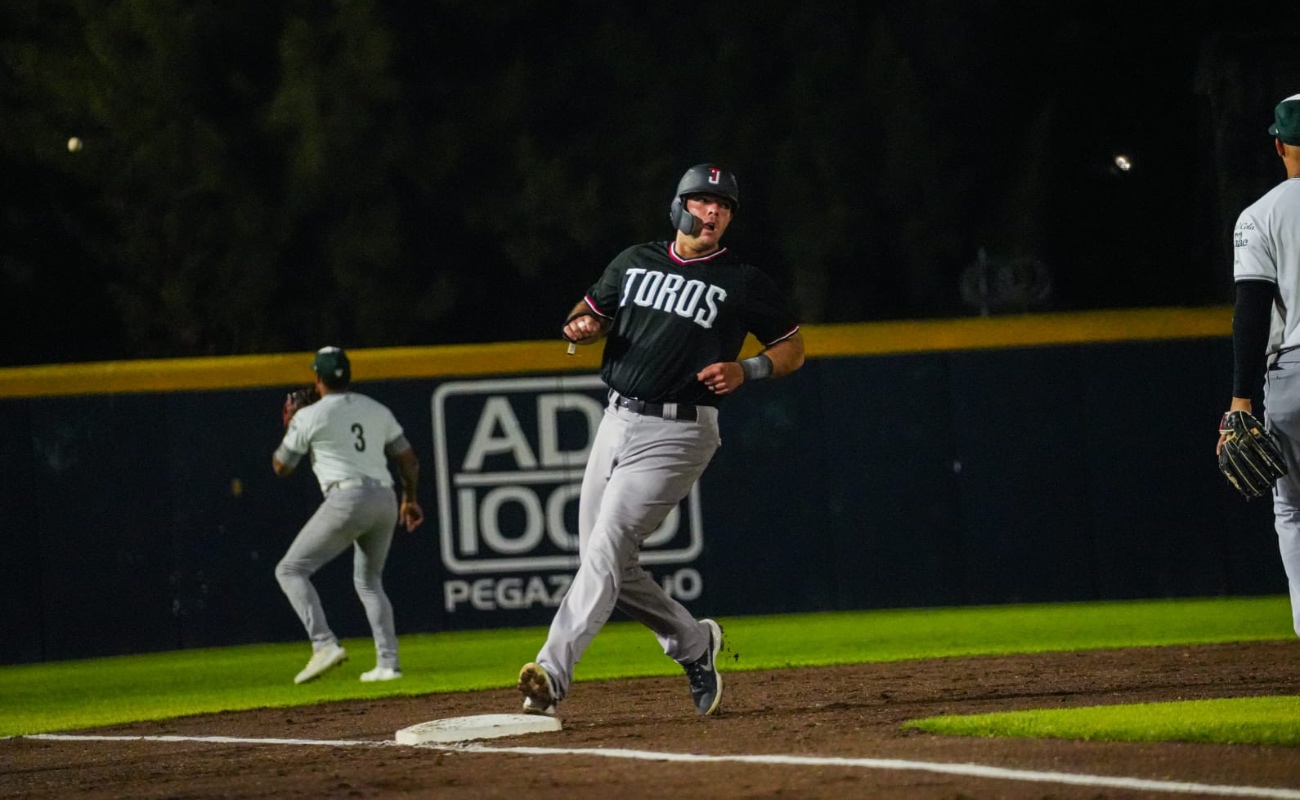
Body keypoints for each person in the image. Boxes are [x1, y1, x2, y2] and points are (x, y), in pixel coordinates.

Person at [517, 164, 805, 717]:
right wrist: (580, 326)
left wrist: (750, 369)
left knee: (605, 549)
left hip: (681, 430)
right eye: (702, 201)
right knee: (607, 565)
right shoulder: (633, 262)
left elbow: (793, 346)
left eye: (723, 205)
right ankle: (694, 643)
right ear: (677, 207)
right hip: (617, 420)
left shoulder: (741, 280)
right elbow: (588, 313)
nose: (713, 212)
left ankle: (551, 676)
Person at [272, 346, 425, 683]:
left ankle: (323, 643)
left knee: (290, 569)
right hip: (384, 497)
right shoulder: (375, 408)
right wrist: (409, 499)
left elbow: (282, 467)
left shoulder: (309, 415)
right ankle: (388, 664)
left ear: (317, 377)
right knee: (370, 581)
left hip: (348, 497)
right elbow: (409, 460)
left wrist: (292, 425)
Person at [1219, 93, 1300, 638]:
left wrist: (1239, 402)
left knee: (1293, 512)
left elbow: (1251, 312)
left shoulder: (1260, 215)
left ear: (1279, 145)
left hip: (1293, 374)